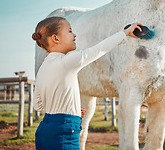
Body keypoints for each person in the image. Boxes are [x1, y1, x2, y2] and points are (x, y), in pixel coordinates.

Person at [32, 16, 141, 150]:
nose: (74, 35)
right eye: (70, 31)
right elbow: (99, 50)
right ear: (56, 38)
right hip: (64, 132)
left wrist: (71, 109)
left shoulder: (43, 68)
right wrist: (125, 33)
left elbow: (37, 105)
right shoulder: (67, 61)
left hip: (44, 131)